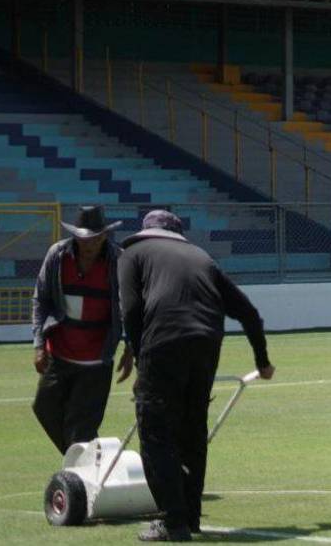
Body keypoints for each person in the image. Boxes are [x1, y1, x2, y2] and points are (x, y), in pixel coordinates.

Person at [119, 210, 275, 542]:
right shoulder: (202, 257)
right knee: (192, 432)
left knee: (155, 433)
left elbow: (130, 309)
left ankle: (171, 522)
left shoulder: (132, 254)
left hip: (162, 342)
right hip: (206, 345)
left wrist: (139, 355)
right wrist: (262, 361)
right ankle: (190, 518)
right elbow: (248, 313)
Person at [32, 205, 133, 454]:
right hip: (59, 353)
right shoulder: (57, 255)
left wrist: (130, 347)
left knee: (82, 427)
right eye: (85, 237)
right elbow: (41, 299)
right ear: (76, 235)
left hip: (96, 361)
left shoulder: (118, 260)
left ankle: (83, 476)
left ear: (104, 236)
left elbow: (130, 307)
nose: (90, 243)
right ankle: (87, 464)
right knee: (43, 408)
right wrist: (38, 345)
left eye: (96, 237)